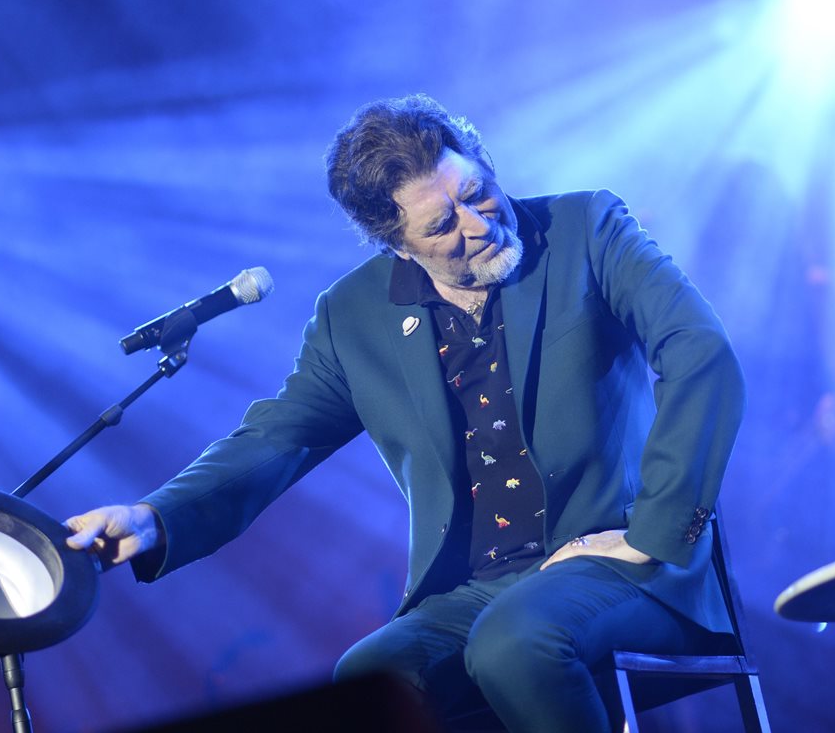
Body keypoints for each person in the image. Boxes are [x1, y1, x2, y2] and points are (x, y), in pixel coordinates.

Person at [65, 94, 746, 733]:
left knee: (515, 643)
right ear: (394, 242)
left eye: (478, 193)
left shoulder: (587, 228)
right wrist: (154, 517)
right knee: (368, 679)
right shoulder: (351, 316)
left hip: (626, 559)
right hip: (477, 589)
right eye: (442, 225)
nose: (477, 225)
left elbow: (700, 353)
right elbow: (277, 438)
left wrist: (657, 531)